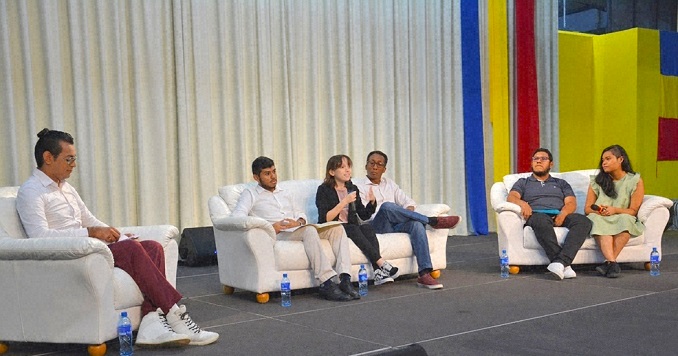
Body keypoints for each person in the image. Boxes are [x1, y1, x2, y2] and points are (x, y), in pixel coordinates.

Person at [15, 129, 218, 347]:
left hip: (91, 250)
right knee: (132, 250)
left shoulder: (66, 189)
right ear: (48, 158)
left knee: (153, 247)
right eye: (69, 159)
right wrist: (90, 233)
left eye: (74, 158)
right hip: (70, 257)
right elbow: (38, 237)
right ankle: (175, 314)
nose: (73, 164)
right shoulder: (31, 191)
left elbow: (90, 220)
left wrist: (120, 236)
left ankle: (150, 324)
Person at [231, 156, 358, 301]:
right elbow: (238, 217)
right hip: (279, 233)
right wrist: (268, 227)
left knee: (337, 228)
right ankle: (326, 283)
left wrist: (298, 222)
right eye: (267, 173)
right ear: (256, 177)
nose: (273, 177)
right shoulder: (250, 194)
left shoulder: (285, 191)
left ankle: (345, 279)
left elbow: (301, 214)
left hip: (296, 228)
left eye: (274, 171)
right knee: (309, 230)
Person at [353, 151, 461, 289]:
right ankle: (431, 221)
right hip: (375, 225)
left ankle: (424, 273)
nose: (374, 167)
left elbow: (409, 202)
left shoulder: (390, 184)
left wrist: (405, 212)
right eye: (372, 163)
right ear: (366, 165)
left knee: (416, 225)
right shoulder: (358, 185)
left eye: (379, 164)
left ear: (384, 169)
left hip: (394, 224)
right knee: (387, 207)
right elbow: (363, 215)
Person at [507, 148, 593, 280]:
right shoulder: (523, 182)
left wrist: (563, 214)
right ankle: (563, 264)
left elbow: (571, 203)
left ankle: (560, 263)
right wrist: (523, 204)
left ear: (551, 164)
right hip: (537, 215)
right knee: (541, 220)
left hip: (559, 214)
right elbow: (511, 197)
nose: (539, 161)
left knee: (583, 221)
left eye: (543, 158)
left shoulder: (561, 183)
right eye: (536, 159)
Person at [315, 155, 400, 286]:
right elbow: (325, 218)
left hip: (351, 226)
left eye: (349, 167)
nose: (347, 170)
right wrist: (345, 201)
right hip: (333, 227)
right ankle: (382, 263)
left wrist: (372, 203)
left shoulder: (352, 188)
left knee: (367, 227)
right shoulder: (323, 190)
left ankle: (377, 271)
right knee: (353, 228)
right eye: (342, 167)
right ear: (332, 172)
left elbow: (363, 215)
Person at [585, 145, 645, 278]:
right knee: (598, 220)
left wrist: (615, 210)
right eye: (602, 160)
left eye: (608, 159)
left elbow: (633, 211)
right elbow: (588, 209)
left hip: (622, 215)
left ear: (620, 159)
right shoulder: (597, 181)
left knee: (626, 219)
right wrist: (600, 212)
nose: (604, 163)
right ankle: (612, 263)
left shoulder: (634, 180)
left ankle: (609, 263)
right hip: (600, 216)